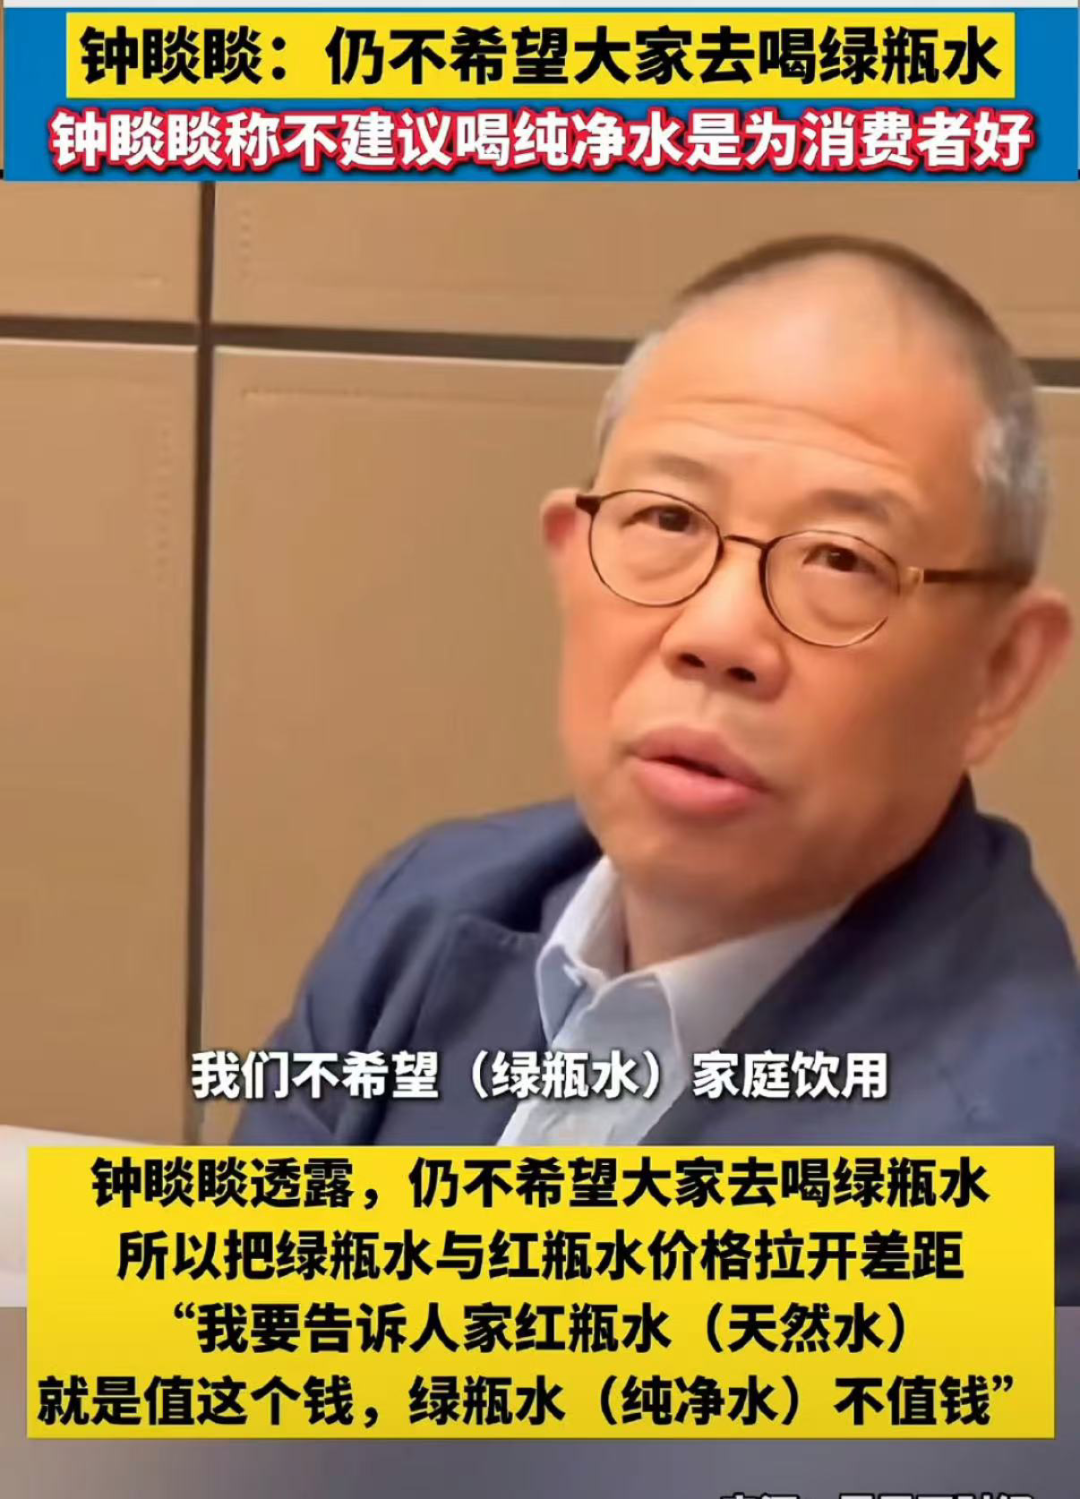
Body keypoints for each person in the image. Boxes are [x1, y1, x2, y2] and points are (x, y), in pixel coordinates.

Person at [235, 234, 1080, 1302]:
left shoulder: (1016, 1166)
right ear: (570, 557)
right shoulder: (425, 911)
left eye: (841, 560)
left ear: (999, 673)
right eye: (668, 520)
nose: (718, 632)